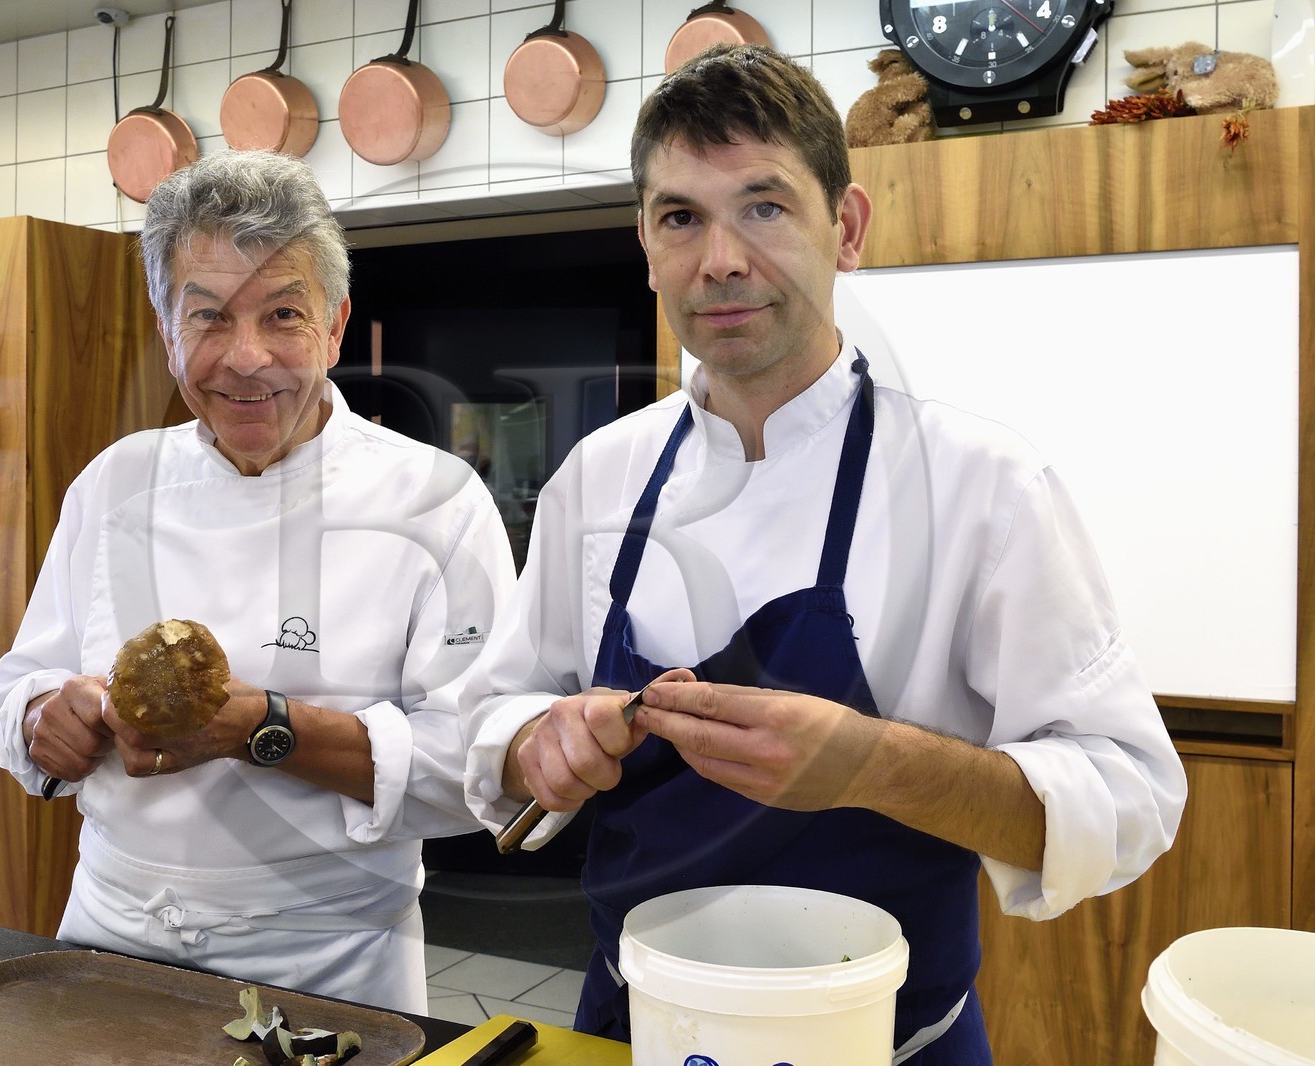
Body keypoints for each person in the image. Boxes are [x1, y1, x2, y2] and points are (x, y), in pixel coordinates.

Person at [460, 43, 1186, 1063]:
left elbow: (1127, 794)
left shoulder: (979, 484)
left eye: (763, 207)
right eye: (681, 217)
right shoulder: (601, 475)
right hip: (642, 1027)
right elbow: (492, 710)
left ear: (843, 229)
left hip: (891, 1043)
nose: (720, 259)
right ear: (646, 242)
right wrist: (535, 738)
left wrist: (878, 764)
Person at [0, 149, 515, 1014]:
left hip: (330, 961)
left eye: (282, 314)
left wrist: (263, 728)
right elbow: (24, 686)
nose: (247, 358)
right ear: (167, 334)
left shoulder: (435, 503)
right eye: (207, 319)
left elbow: (478, 766)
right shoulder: (113, 485)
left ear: (337, 324)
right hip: (111, 938)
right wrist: (52, 721)